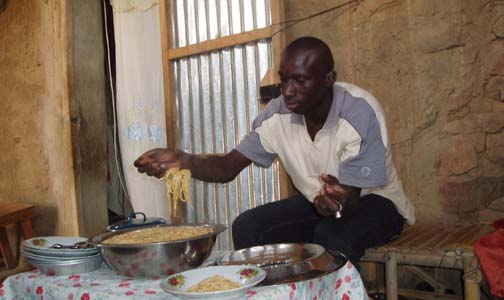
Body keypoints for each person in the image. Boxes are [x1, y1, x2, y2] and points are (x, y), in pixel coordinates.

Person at [134, 36, 415, 267]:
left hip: (375, 202)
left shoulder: (359, 112)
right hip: (319, 202)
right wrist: (183, 160)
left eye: (300, 81)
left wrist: (338, 201)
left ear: (329, 79)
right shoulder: (276, 115)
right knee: (248, 226)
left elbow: (350, 201)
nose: (288, 91)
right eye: (284, 80)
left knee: (332, 235)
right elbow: (226, 168)